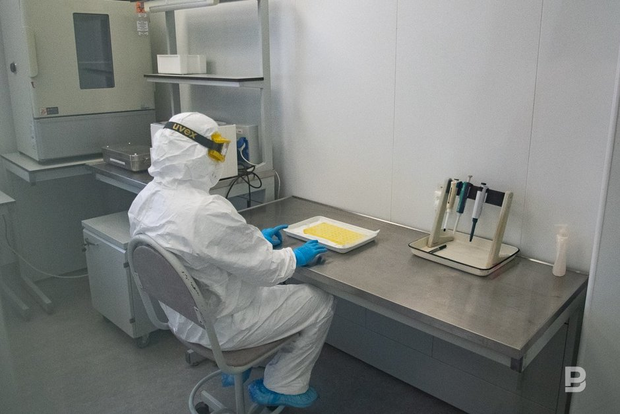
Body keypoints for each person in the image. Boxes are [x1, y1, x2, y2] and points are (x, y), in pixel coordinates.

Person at [128, 112, 335, 408]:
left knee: (275, 295)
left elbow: (201, 251)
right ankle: (282, 385)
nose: (219, 159)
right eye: (216, 150)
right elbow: (267, 270)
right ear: (195, 155)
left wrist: (257, 240)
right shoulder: (205, 211)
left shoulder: (146, 198)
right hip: (223, 328)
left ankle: (244, 367)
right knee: (320, 300)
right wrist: (296, 255)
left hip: (183, 317)